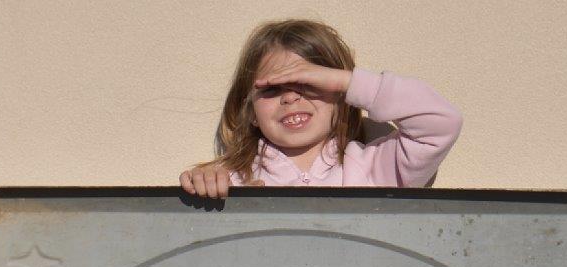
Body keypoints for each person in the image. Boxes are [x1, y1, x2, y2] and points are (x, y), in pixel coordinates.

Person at [179, 18, 463, 198]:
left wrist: (346, 82)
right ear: (251, 112)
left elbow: (441, 124)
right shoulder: (234, 179)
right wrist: (203, 185)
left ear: (341, 95)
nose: (290, 97)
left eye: (308, 83)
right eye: (272, 89)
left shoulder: (374, 169)